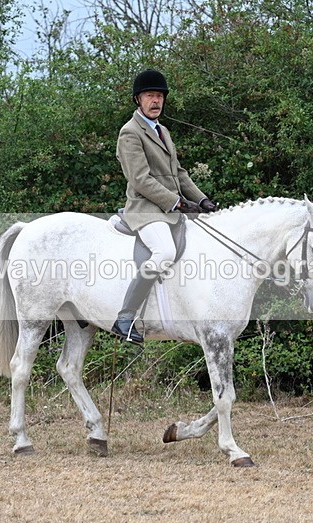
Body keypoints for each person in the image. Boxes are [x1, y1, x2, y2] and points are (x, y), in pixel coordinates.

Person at [111, 69, 217, 343]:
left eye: (159, 96)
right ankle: (125, 317)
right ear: (138, 99)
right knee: (164, 251)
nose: (156, 101)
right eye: (150, 96)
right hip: (145, 209)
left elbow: (178, 173)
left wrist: (202, 199)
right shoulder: (130, 133)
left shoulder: (163, 131)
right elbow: (141, 179)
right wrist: (178, 203)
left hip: (169, 208)